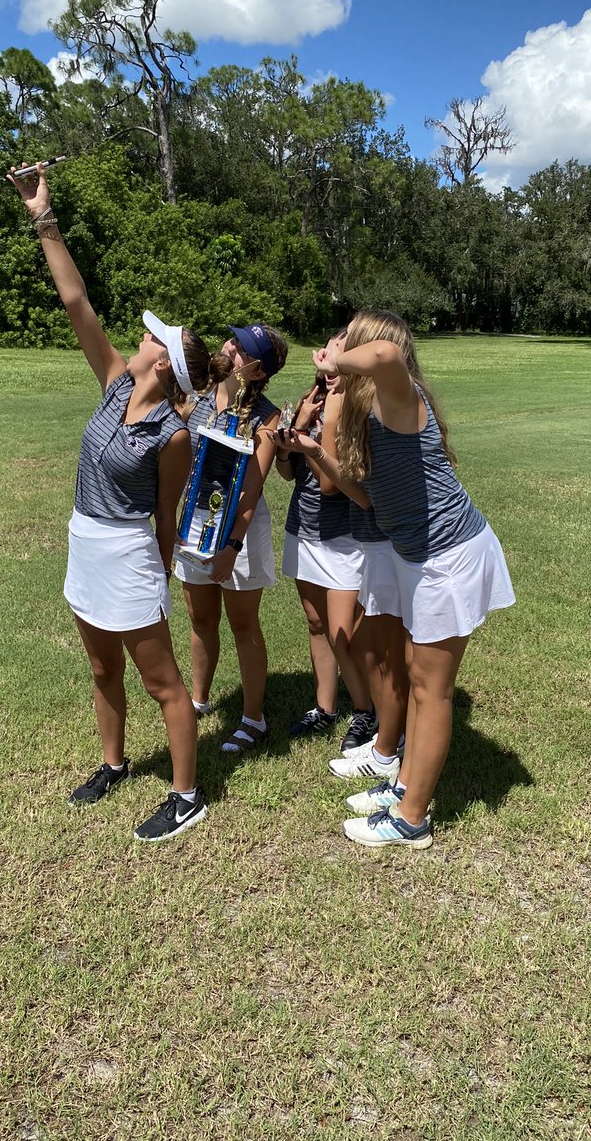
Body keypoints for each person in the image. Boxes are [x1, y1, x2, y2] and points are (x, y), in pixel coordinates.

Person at [8, 160, 228, 841]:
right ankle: (113, 763)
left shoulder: (174, 435)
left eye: (149, 338)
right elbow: (77, 302)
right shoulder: (111, 381)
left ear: (162, 363)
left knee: (163, 684)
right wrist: (43, 218)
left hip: (131, 553)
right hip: (86, 542)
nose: (138, 339)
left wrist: (156, 574)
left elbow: (168, 516)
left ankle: (187, 795)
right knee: (101, 668)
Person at [313, 310, 515, 848]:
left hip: (448, 556)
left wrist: (339, 360)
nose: (335, 350)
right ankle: (402, 783)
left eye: (346, 340)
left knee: (431, 689)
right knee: (412, 671)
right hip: (416, 558)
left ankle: (412, 818)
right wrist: (315, 454)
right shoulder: (369, 411)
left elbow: (386, 357)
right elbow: (369, 500)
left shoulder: (399, 396)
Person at [174, 323, 288, 753]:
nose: (230, 347)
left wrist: (231, 546)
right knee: (200, 620)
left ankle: (252, 719)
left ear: (258, 371)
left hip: (238, 531)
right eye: (234, 340)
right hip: (195, 524)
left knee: (243, 625)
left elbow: (250, 489)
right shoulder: (198, 397)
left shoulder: (268, 417)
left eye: (242, 350)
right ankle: (199, 701)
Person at [275, 362, 376, 749]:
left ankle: (365, 712)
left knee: (341, 634)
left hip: (342, 538)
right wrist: (295, 430)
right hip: (302, 529)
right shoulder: (312, 402)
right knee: (317, 623)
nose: (328, 372)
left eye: (337, 365)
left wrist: (324, 423)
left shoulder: (353, 414)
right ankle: (325, 707)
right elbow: (288, 472)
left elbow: (329, 484)